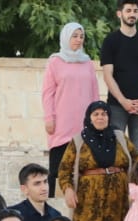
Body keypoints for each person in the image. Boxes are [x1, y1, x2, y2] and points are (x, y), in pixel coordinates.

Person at [55, 102, 137, 221]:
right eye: (96, 114)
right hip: (88, 205)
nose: (100, 117)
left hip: (117, 204)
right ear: (89, 118)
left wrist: (136, 188)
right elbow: (64, 169)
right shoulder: (78, 141)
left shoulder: (119, 138)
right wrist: (68, 189)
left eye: (104, 114)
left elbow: (137, 161)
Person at [42, 22, 99, 197]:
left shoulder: (87, 62)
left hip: (84, 126)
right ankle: (54, 209)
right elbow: (47, 93)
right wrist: (49, 118)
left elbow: (95, 93)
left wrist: (97, 118)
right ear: (66, 37)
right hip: (62, 124)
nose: (78, 40)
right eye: (75, 36)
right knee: (58, 170)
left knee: (85, 170)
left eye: (81, 36)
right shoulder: (55, 62)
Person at [99, 1, 138, 150]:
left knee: (137, 151)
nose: (132, 14)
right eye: (128, 10)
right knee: (116, 149)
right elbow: (107, 75)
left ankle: (135, 175)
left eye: (135, 11)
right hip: (117, 106)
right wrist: (123, 101)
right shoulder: (110, 41)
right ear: (120, 14)